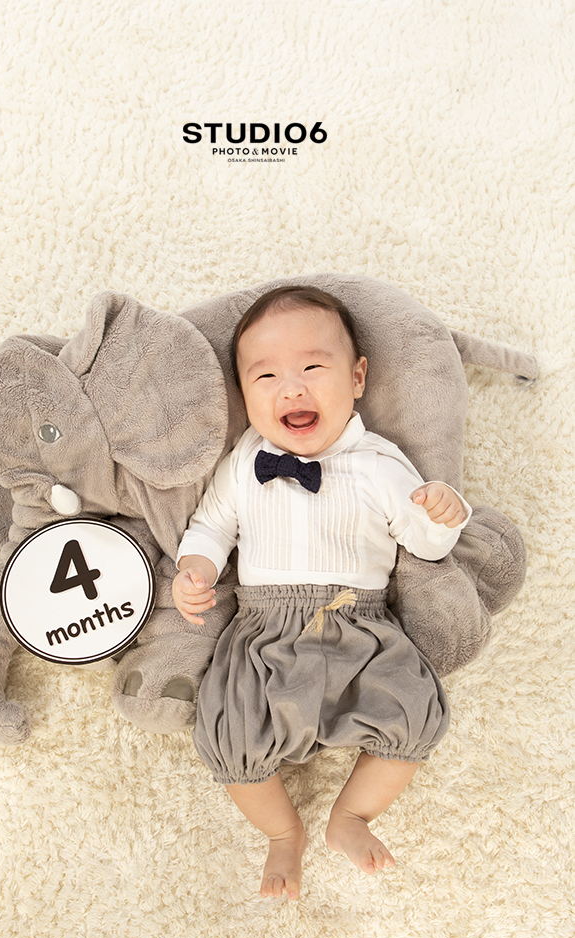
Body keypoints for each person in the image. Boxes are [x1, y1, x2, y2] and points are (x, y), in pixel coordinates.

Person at [172, 286, 470, 900]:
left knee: (414, 713)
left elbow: (425, 542)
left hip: (361, 628)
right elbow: (210, 527)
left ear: (357, 378)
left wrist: (443, 510)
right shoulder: (244, 462)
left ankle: (350, 815)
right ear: (244, 394)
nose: (292, 389)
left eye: (312, 367)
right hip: (264, 634)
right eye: (266, 376)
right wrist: (194, 570)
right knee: (229, 728)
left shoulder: (379, 462)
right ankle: (284, 833)